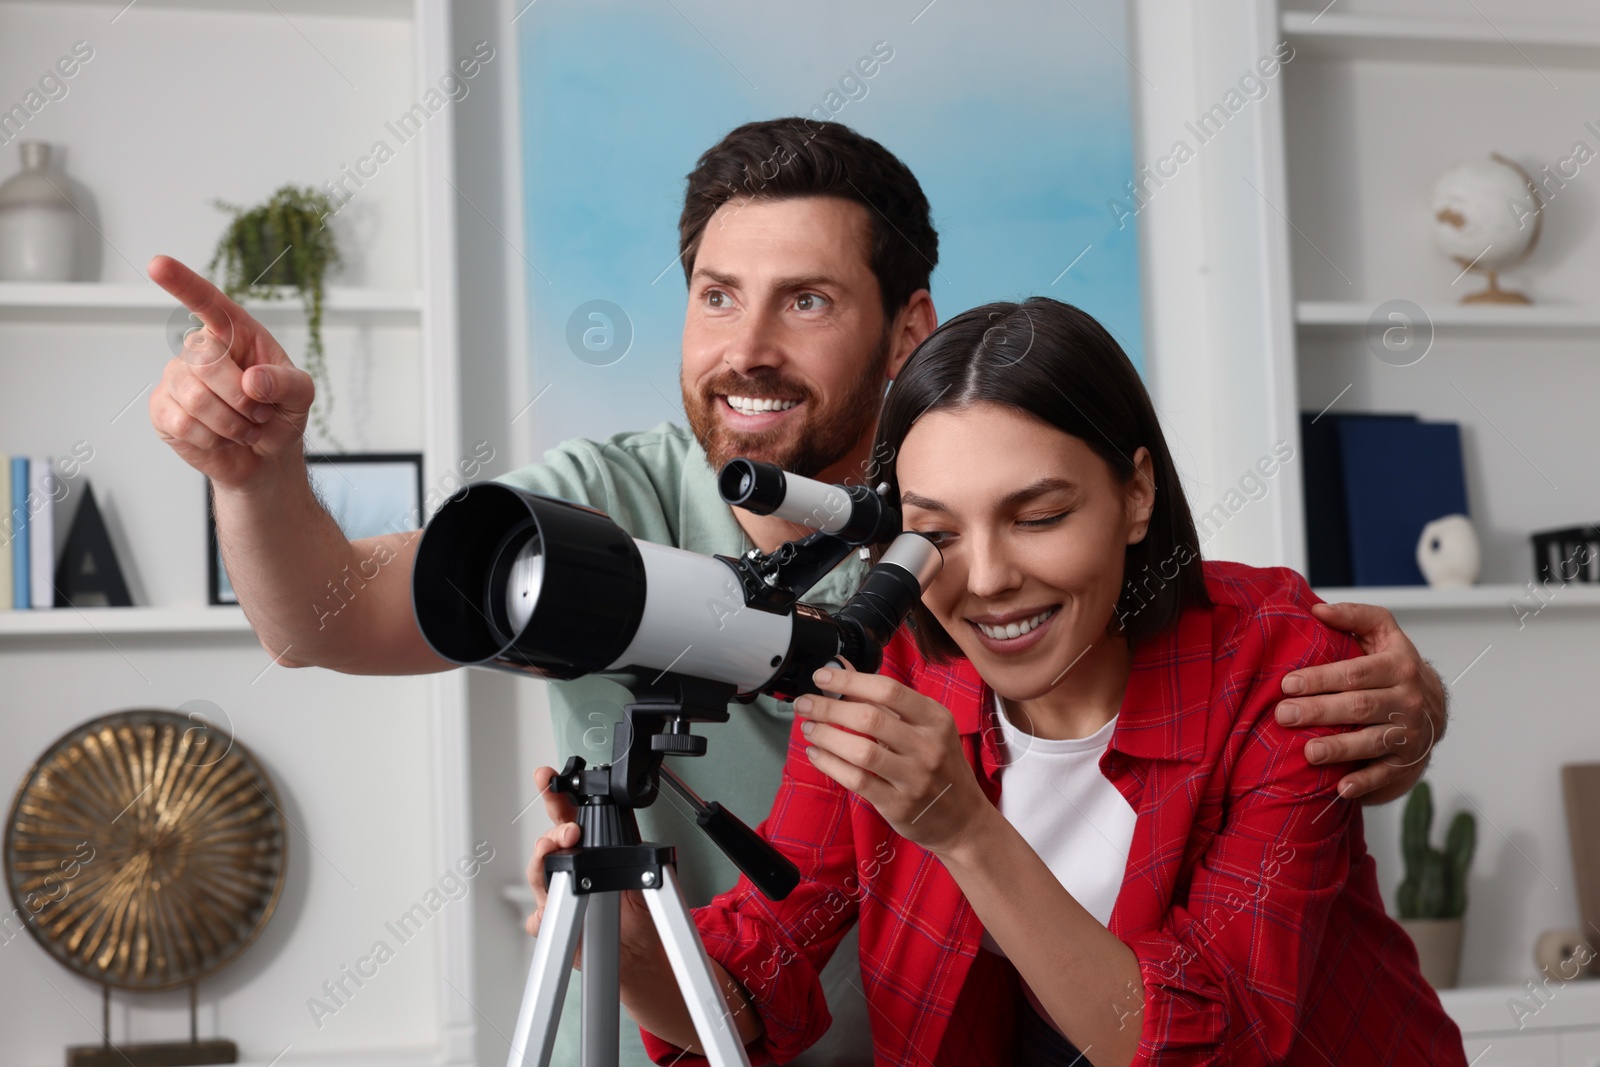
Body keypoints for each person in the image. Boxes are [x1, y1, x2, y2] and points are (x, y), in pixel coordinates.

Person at [149, 119, 1447, 1062]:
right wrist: (258, 478)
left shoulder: (1252, 653)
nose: (747, 346)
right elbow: (322, 615)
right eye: (717, 296)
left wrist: (1416, 697)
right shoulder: (835, 627)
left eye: (807, 298)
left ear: (905, 327)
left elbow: (1199, 1031)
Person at [529, 298, 1468, 1065]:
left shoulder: (1276, 663)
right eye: (935, 533)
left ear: (1136, 493)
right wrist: (633, 960)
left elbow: (1214, 1042)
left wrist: (964, 825)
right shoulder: (893, 666)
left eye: (1040, 515)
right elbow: (758, 980)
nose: (982, 580)